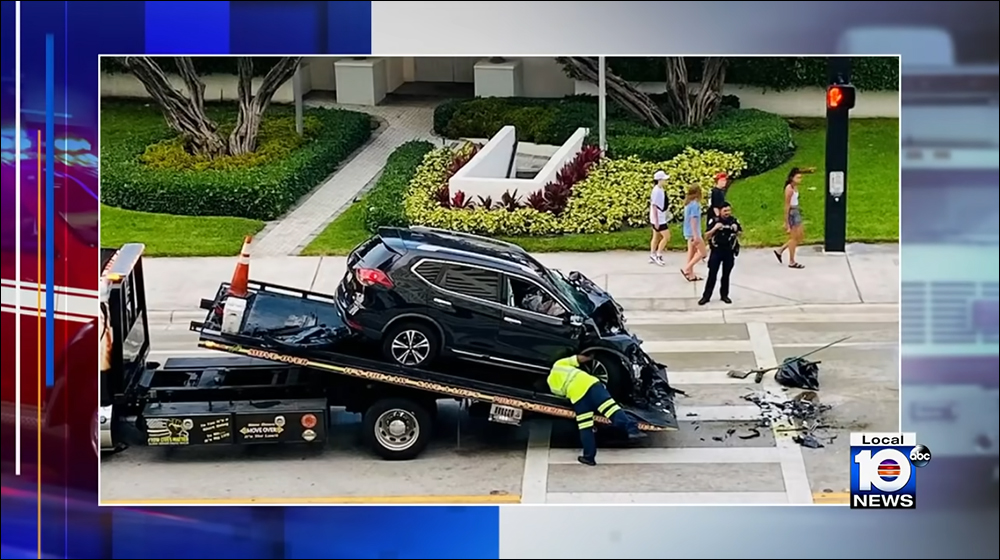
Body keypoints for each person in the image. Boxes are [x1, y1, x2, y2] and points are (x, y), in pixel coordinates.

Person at [548, 353, 645, 466]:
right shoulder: (558, 364)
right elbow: (578, 359)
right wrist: (590, 357)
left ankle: (589, 458)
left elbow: (563, 399)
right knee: (612, 410)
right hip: (592, 386)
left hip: (579, 399)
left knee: (585, 428)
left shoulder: (552, 386)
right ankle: (632, 430)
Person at [699, 202, 741, 305]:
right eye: (725, 211)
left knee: (726, 275)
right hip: (716, 251)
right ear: (720, 211)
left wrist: (736, 229)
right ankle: (706, 296)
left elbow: (741, 234)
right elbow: (706, 236)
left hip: (729, 251)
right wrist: (715, 228)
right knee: (712, 274)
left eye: (729, 210)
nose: (727, 213)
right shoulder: (714, 220)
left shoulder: (733, 220)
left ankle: (724, 295)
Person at [775, 167, 807, 269]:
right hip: (792, 213)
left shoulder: (795, 187)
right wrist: (786, 222)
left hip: (796, 211)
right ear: (792, 177)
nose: (800, 180)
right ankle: (792, 261)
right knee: (794, 238)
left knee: (800, 236)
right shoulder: (789, 189)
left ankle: (780, 250)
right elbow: (787, 205)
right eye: (798, 177)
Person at [680, 184, 705, 281]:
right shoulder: (695, 205)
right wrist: (696, 235)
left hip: (688, 232)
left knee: (692, 253)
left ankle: (691, 274)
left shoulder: (688, 204)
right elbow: (693, 220)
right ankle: (687, 268)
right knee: (702, 253)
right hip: (694, 232)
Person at [648, 170, 671, 266]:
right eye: (663, 179)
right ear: (659, 180)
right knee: (666, 237)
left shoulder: (660, 189)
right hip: (658, 218)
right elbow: (654, 206)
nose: (665, 181)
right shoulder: (656, 191)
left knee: (656, 236)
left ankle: (652, 254)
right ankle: (658, 254)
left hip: (659, 217)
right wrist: (657, 221)